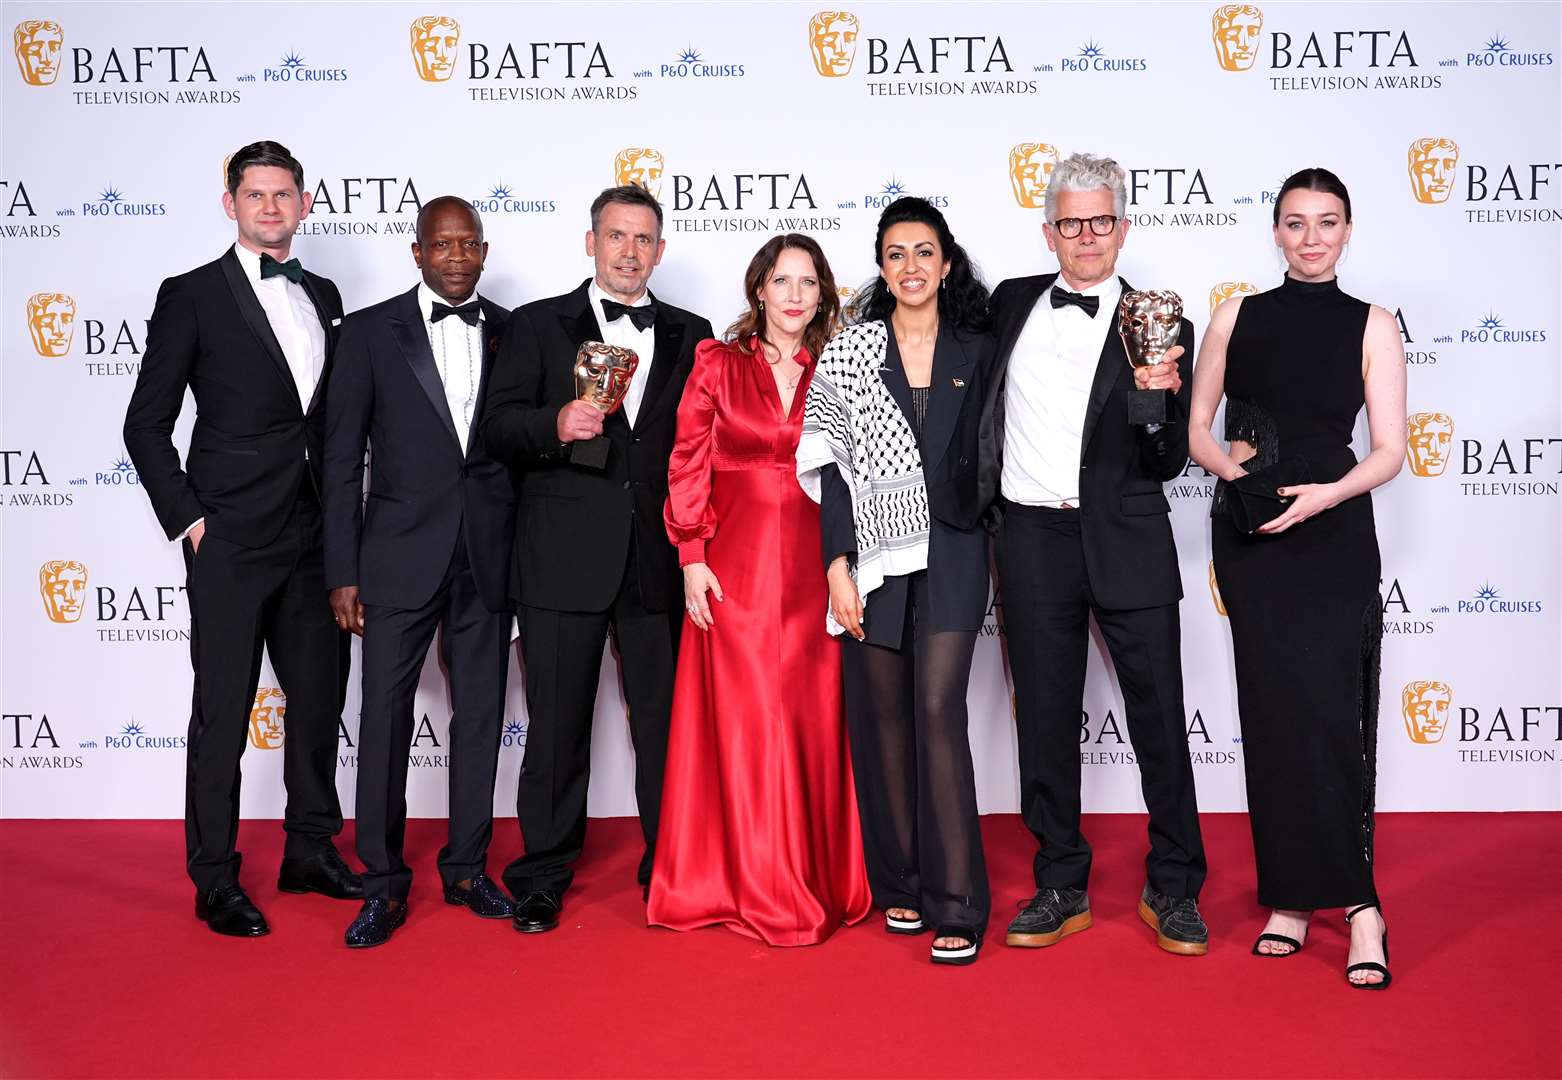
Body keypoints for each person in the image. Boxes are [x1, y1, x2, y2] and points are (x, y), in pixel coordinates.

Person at [966, 153, 1210, 956]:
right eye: (1070, 223)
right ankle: (1060, 881)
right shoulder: (1009, 304)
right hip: (1032, 538)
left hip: (1128, 534)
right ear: (1048, 232)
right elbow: (919, 305)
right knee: (1042, 717)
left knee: (1161, 719)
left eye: (1101, 220)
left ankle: (1174, 886)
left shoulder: (1163, 319)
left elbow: (1167, 460)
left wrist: (1156, 401)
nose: (1087, 237)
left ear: (1124, 226)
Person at [123, 140, 360, 937]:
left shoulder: (324, 293)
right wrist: (189, 520)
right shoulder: (190, 294)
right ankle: (215, 876)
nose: (270, 207)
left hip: (315, 531)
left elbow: (323, 421)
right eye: (255, 194)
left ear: (304, 202)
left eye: (283, 194)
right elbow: (146, 422)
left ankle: (310, 850)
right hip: (228, 536)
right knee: (221, 711)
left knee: (320, 700)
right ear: (230, 204)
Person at [1190, 167, 1406, 989]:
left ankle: (1360, 905)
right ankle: (1286, 896)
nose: (1311, 237)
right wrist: (1238, 480)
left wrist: (1324, 497)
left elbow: (1387, 451)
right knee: (1272, 715)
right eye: (1295, 222)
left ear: (1348, 230)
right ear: (1274, 232)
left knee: (1333, 717)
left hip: (1334, 533)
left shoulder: (1373, 324)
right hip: (1251, 537)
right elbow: (1197, 426)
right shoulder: (1235, 315)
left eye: (1327, 222)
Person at [481, 184, 714, 933]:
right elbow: (497, 429)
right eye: (616, 236)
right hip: (560, 559)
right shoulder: (537, 324)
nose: (629, 252)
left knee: (665, 730)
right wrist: (557, 421)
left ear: (661, 249)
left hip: (656, 561)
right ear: (591, 242)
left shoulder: (692, 331)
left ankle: (670, 865)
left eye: (644, 239)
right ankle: (543, 874)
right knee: (554, 730)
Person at [649, 234, 871, 945]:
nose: (796, 295)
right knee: (744, 723)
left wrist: (852, 562)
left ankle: (815, 876)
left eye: (809, 282)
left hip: (817, 566)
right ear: (759, 290)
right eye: (783, 281)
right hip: (733, 565)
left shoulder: (841, 366)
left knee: (808, 717)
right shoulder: (717, 363)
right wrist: (691, 553)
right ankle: (739, 878)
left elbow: (856, 472)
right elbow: (687, 460)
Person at [796, 197, 994, 966]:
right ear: (880, 269)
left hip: (952, 549)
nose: (909, 267)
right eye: (894, 254)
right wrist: (837, 564)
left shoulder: (980, 349)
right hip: (871, 558)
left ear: (946, 264)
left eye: (923, 252)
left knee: (937, 711)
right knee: (880, 720)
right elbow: (836, 472)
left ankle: (959, 900)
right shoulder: (850, 352)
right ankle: (902, 883)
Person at [322, 197, 517, 948]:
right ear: (418, 252)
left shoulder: (512, 330)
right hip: (396, 556)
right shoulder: (370, 332)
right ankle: (382, 882)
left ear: (485, 248)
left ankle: (468, 868)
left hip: (488, 557)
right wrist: (344, 570)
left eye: (469, 243)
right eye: (443, 244)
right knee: (384, 720)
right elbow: (341, 461)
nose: (458, 256)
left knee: (480, 717)